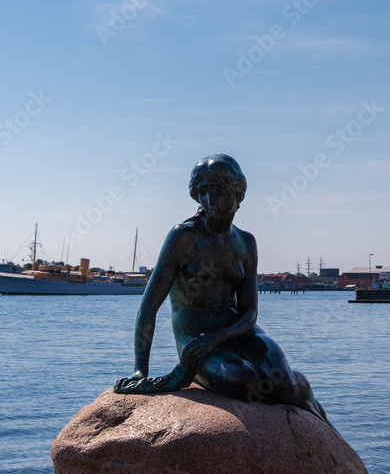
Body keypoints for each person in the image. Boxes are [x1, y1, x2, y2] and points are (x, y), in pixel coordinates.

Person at [114, 154, 332, 428]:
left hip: (240, 333)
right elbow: (148, 307)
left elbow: (249, 313)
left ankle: (314, 411)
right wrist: (140, 370)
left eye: (217, 189)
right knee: (245, 381)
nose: (209, 199)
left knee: (282, 381)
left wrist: (219, 337)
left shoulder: (246, 242)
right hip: (196, 342)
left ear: (236, 191)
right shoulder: (183, 237)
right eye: (203, 191)